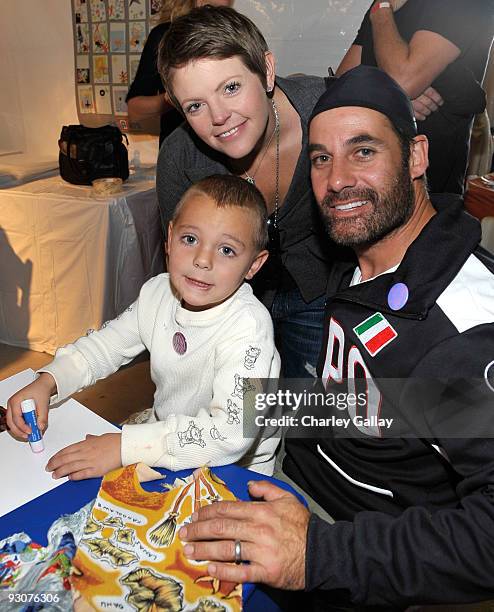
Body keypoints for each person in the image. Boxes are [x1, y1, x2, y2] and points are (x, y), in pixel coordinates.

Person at [177, 67, 494, 608]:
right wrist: (227, 414)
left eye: (363, 151)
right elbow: (373, 407)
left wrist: (318, 555)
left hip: (351, 544)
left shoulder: (458, 328)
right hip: (295, 476)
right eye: (322, 157)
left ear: (417, 157)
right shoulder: (370, 256)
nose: (338, 179)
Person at [6, 175, 280, 480]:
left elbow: (232, 434)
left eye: (227, 250)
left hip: (235, 468)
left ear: (254, 265)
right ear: (170, 236)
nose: (202, 260)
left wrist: (124, 447)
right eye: (190, 239)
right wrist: (48, 381)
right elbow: (105, 347)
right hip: (167, 437)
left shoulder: (251, 329)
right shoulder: (157, 293)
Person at [156, 5, 334, 379]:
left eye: (231, 87)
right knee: (246, 422)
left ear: (266, 71)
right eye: (196, 105)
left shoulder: (326, 113)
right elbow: (184, 261)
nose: (218, 116)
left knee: (308, 413)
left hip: (320, 293)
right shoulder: (180, 157)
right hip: (232, 306)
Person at [336, 0, 494, 195]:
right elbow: (341, 82)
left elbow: (403, 80)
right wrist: (386, 92)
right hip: (370, 175)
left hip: (429, 188)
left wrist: (381, 12)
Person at [126, 0, 232, 146]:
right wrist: (174, 98)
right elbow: (134, 110)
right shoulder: (166, 36)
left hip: (225, 144)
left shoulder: (231, 33)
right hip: (180, 150)